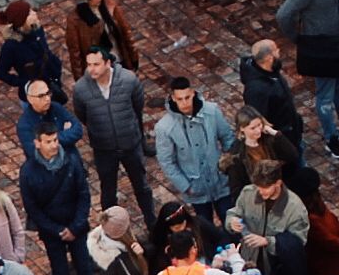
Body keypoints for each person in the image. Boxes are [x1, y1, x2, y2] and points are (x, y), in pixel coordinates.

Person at [20, 123, 101, 275]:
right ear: (37, 143)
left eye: (55, 140)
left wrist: (76, 225)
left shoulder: (72, 161)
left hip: (76, 226)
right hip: (52, 231)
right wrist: (57, 230)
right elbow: (32, 209)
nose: (54, 145)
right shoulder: (28, 172)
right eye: (48, 141)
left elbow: (83, 194)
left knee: (84, 269)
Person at [71, 47, 156, 227]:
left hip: (130, 144)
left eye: (96, 64)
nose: (92, 69)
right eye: (89, 65)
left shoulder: (128, 80)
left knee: (141, 186)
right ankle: (112, 230)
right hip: (104, 149)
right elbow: (82, 115)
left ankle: (152, 223)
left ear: (108, 63)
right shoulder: (81, 89)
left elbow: (137, 106)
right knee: (108, 192)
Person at [275, 0, 339, 159]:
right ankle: (331, 137)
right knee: (325, 97)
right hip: (324, 49)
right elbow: (283, 15)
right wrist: (299, 39)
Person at [155, 76, 238, 224]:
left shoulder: (212, 111)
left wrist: (230, 167)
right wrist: (186, 186)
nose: (185, 103)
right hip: (195, 188)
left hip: (221, 180)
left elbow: (227, 138)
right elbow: (167, 162)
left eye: (187, 97)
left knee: (231, 223)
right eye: (180, 99)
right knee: (205, 228)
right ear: (173, 98)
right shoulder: (165, 127)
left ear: (193, 93)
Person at [240, 40, 306, 154]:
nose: (279, 52)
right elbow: (258, 120)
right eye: (276, 50)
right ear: (268, 57)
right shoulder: (257, 90)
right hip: (281, 143)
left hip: (291, 132)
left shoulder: (270, 71)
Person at [0, 0, 64, 101]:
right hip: (35, 96)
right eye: (30, 13)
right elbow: (1, 73)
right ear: (23, 20)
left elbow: (45, 51)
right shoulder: (11, 46)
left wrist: (55, 64)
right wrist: (24, 82)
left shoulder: (37, 30)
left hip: (53, 84)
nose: (35, 13)